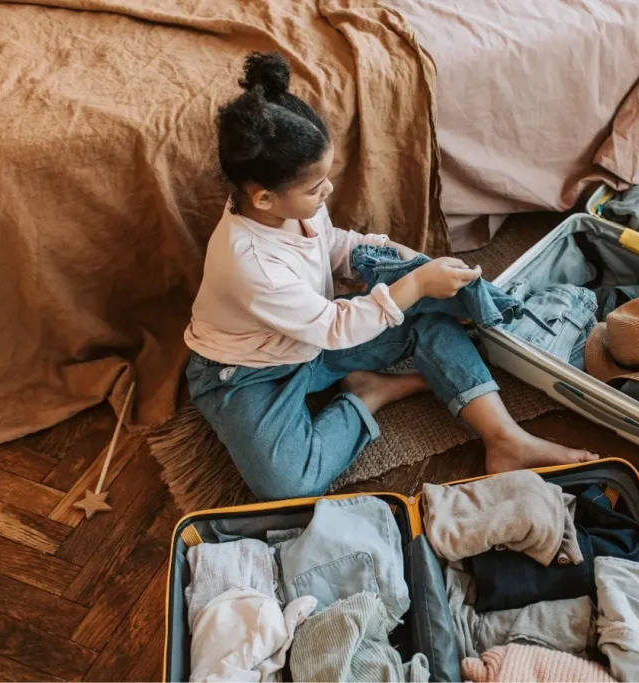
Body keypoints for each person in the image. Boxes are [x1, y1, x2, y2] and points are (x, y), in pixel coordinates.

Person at [184, 52, 595, 501]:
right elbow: (336, 325)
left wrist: (398, 261)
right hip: (249, 371)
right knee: (285, 482)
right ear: (263, 198)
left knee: (427, 316)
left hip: (313, 343)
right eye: (315, 187)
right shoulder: (250, 263)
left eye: (327, 178)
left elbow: (333, 245)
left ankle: (505, 438)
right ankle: (368, 395)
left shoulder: (290, 210)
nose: (328, 192)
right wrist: (414, 285)